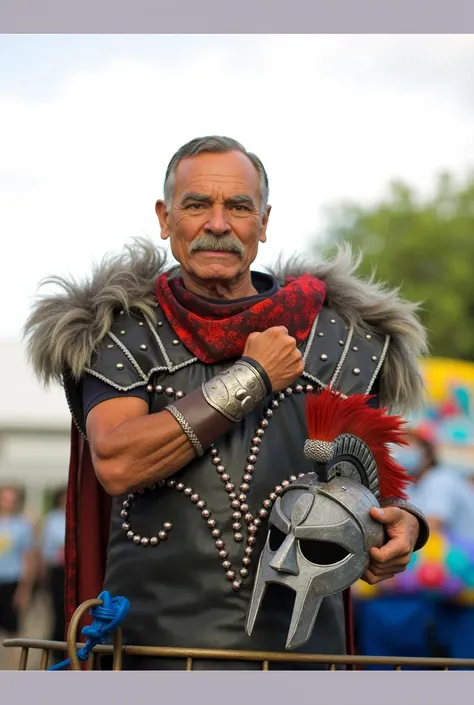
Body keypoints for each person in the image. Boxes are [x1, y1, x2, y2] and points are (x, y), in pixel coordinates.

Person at [24, 135, 430, 670]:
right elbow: (119, 462)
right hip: (151, 658)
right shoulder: (121, 330)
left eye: (238, 207)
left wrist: (402, 527)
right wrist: (255, 375)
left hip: (305, 663)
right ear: (165, 218)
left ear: (262, 222)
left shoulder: (345, 340)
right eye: (197, 205)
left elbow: (360, 484)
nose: (218, 224)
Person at [355, 427, 474, 663]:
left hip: (455, 588)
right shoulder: (411, 486)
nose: (402, 452)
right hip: (427, 590)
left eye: (410, 445)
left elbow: (429, 529)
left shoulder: (442, 480)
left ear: (428, 453)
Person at [0, 485, 35, 670]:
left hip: (12, 582)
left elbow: (27, 559)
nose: (9, 503)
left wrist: (24, 590)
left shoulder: (22, 526)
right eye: (5, 498)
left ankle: (14, 672)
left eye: (12, 499)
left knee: (12, 632)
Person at [39, 487, 67, 659]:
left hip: (70, 568)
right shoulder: (52, 519)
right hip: (58, 570)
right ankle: (56, 651)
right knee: (57, 611)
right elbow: (46, 548)